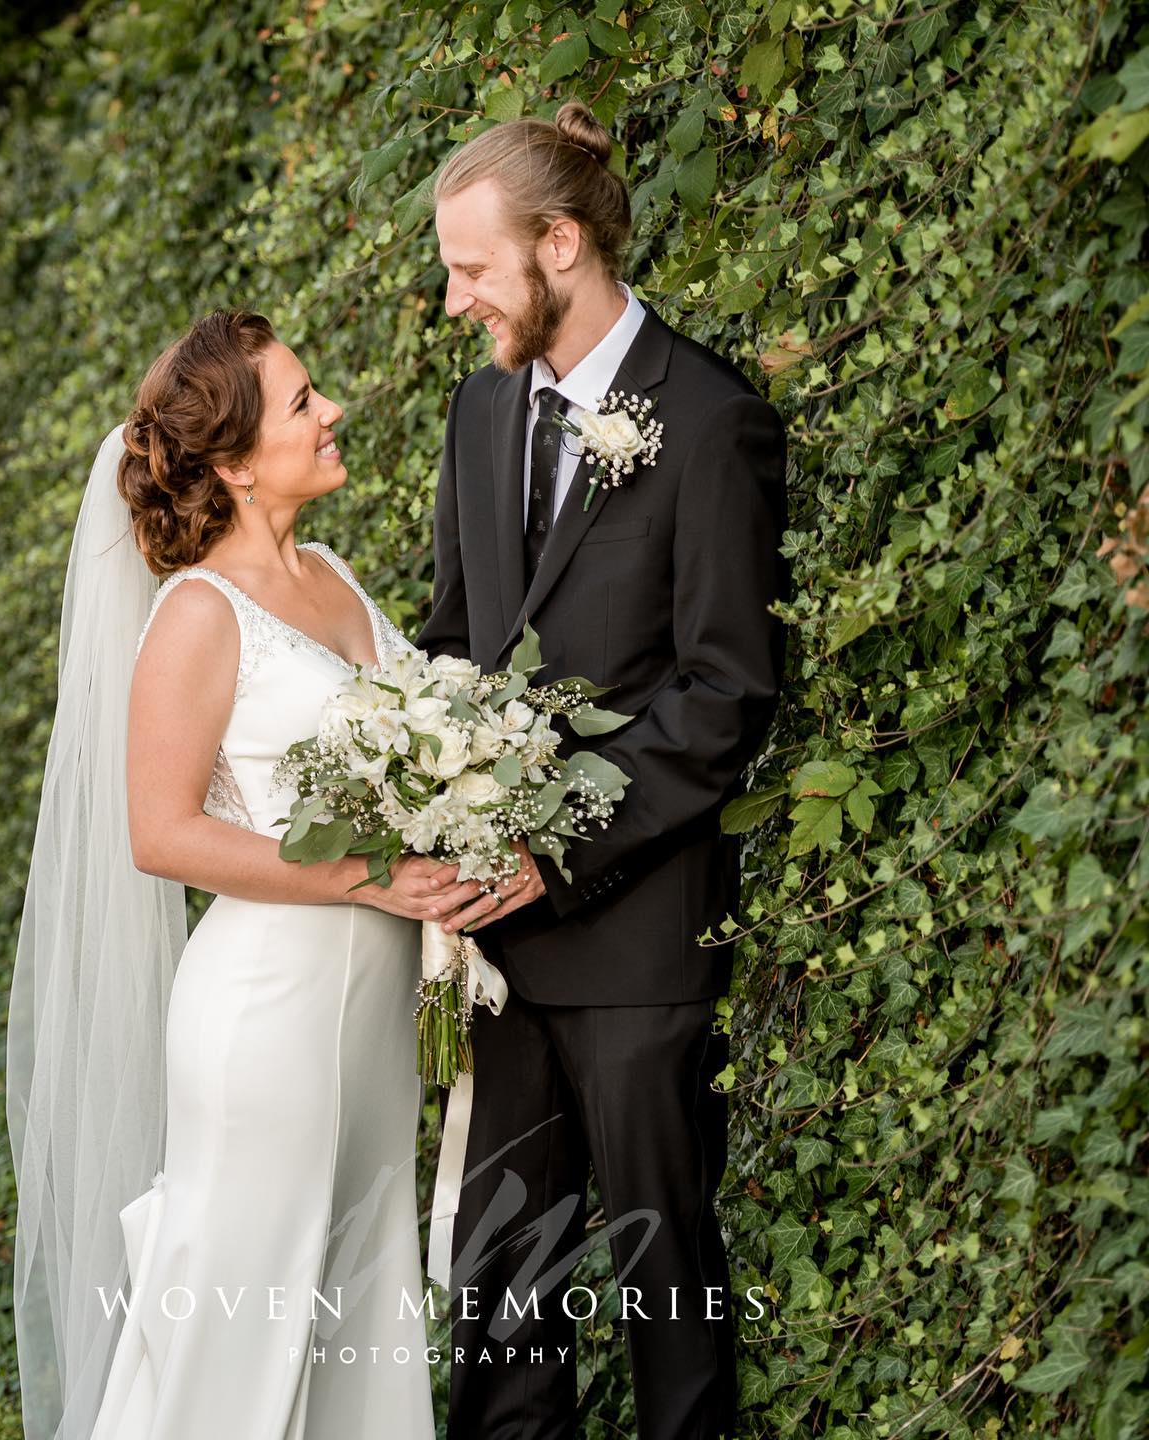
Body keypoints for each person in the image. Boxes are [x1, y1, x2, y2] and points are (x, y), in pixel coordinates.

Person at [6, 309, 481, 1440]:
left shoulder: (332, 575)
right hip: (266, 1015)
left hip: (368, 1015)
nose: (333, 414)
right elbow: (160, 834)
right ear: (231, 462)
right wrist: (376, 877)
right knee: (244, 1315)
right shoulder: (197, 617)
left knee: (353, 1296)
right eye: (305, 403)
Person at [416, 101, 792, 1440]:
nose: (456, 299)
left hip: (637, 945)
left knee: (667, 1302)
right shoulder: (477, 417)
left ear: (561, 244)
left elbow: (723, 692)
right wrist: (432, 795)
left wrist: (553, 846)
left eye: (474, 268)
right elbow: (458, 640)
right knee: (500, 1307)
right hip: (500, 962)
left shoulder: (710, 420)